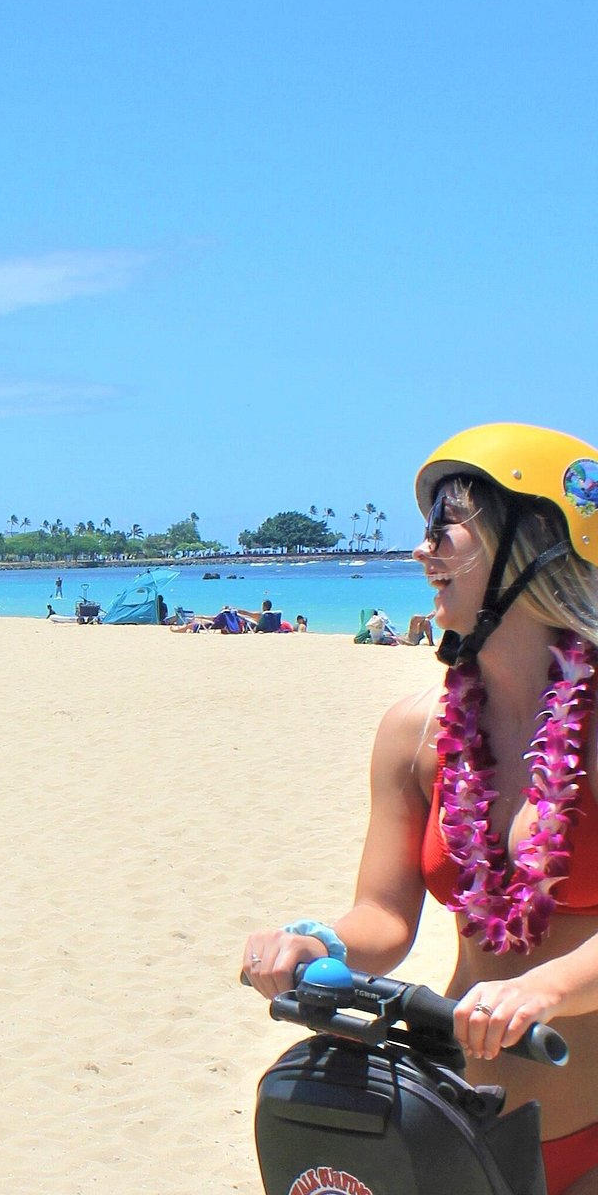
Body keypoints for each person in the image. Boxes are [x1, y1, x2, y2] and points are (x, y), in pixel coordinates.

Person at [242, 424, 598, 1195]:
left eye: (446, 527)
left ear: (534, 539)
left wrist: (548, 988)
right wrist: (317, 941)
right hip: (455, 1137)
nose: (421, 551)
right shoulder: (415, 734)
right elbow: (385, 919)